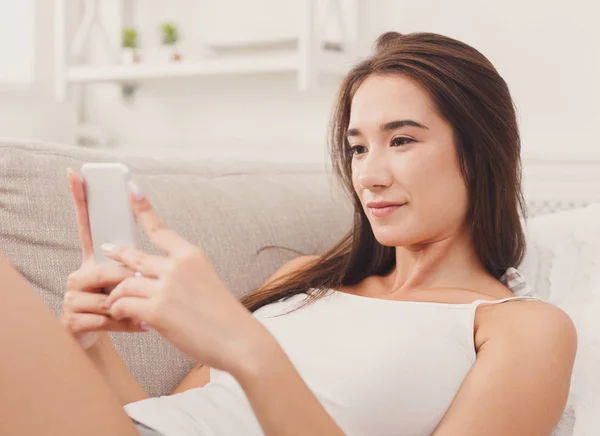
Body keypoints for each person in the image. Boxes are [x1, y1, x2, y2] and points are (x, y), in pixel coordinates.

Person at [0, 31, 576, 436]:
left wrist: (249, 349)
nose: (370, 175)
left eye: (401, 140)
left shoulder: (520, 328)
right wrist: (90, 343)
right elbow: (167, 418)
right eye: (357, 147)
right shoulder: (304, 279)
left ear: (479, 154)